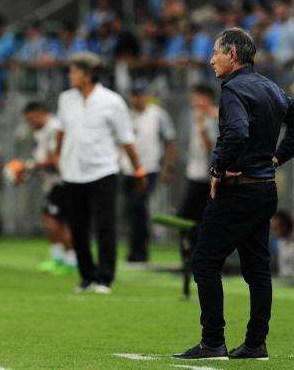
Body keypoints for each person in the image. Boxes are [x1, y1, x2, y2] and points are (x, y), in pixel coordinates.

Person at [174, 27, 294, 360]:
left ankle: (213, 341)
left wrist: (217, 168)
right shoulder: (272, 87)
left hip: (237, 191)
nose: (211, 58)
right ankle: (256, 343)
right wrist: (278, 157)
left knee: (204, 262)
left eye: (215, 52)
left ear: (232, 55)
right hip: (264, 189)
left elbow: (237, 130)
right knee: (257, 268)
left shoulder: (232, 89)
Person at [55, 52, 146, 294]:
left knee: (105, 226)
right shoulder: (65, 99)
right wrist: (57, 156)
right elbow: (61, 132)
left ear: (87, 75)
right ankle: (87, 276)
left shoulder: (112, 101)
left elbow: (126, 139)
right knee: (77, 227)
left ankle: (105, 278)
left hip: (103, 170)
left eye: (73, 71)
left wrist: (138, 169)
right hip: (72, 171)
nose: (69, 75)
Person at [6, 102, 76, 272]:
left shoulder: (53, 129)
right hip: (54, 182)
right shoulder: (43, 131)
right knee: (53, 218)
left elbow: (55, 160)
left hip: (62, 181)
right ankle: (62, 258)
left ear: (39, 113)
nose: (30, 123)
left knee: (60, 220)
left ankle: (69, 260)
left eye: (30, 119)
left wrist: (28, 166)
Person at [121, 87, 176, 264]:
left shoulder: (157, 114)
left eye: (141, 95)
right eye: (135, 95)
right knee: (133, 209)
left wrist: (168, 166)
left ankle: (139, 250)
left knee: (138, 205)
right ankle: (136, 249)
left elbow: (170, 139)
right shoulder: (126, 115)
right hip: (126, 169)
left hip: (148, 168)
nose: (138, 99)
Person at [177, 84, 218, 299]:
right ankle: (189, 258)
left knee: (195, 219)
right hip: (192, 174)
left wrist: (203, 128)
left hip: (205, 178)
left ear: (206, 98)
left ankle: (196, 259)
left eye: (197, 97)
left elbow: (212, 149)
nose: (194, 100)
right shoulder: (193, 117)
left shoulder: (212, 118)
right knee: (188, 219)